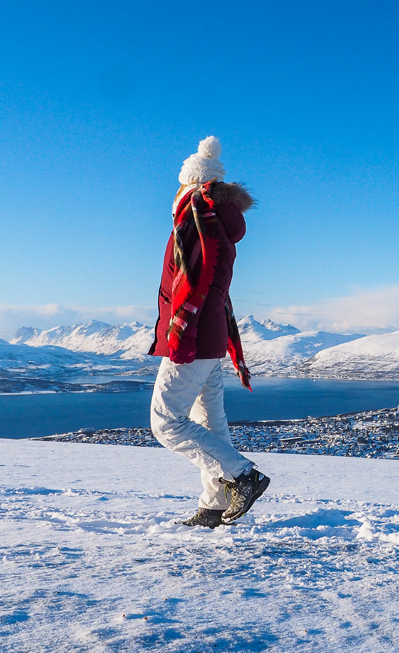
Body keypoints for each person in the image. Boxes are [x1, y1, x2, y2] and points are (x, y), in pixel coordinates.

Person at [148, 136, 269, 528]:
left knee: (165, 421)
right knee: (209, 424)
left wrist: (179, 337)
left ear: (193, 183)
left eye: (182, 183)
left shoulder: (197, 218)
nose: (178, 190)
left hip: (194, 338)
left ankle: (242, 475)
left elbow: (191, 287)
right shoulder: (215, 220)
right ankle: (215, 504)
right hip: (211, 336)